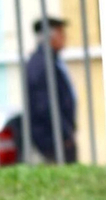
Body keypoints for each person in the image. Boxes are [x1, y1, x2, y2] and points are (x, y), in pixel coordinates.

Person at [25, 13, 78, 164]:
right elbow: (45, 106)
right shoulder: (41, 65)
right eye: (61, 33)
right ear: (50, 37)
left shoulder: (51, 60)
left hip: (59, 139)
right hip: (52, 141)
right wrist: (65, 135)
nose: (65, 37)